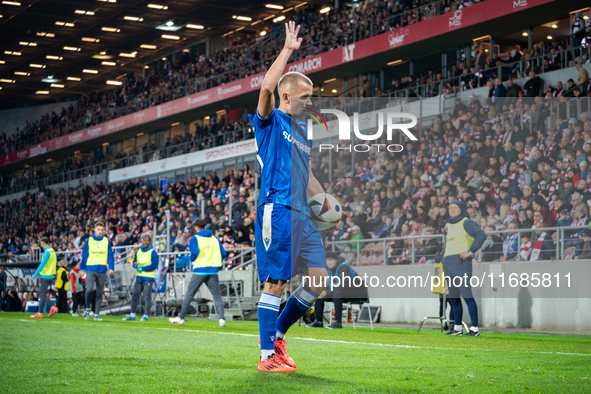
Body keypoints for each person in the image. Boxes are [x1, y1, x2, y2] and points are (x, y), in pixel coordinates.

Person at [251, 21, 328, 373]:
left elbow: (307, 174)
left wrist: (325, 199)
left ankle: (279, 334)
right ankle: (267, 358)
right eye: (305, 97)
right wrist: (287, 50)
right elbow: (266, 87)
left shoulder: (303, 133)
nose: (310, 102)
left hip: (302, 215)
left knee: (319, 281)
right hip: (277, 210)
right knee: (277, 282)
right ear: (287, 97)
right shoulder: (269, 122)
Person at [170, 219, 227, 327]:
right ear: (205, 227)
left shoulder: (195, 238)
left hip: (200, 270)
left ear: (196, 228)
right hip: (213, 271)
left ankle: (181, 318)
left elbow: (195, 253)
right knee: (217, 296)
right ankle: (222, 320)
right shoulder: (214, 238)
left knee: (189, 294)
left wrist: (192, 259)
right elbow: (223, 253)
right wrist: (216, 262)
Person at [442, 200, 486, 336]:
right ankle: (457, 328)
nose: (452, 209)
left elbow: (481, 235)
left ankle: (474, 328)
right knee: (454, 298)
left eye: (455, 207)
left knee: (467, 296)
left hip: (461, 264)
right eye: (450, 207)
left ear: (461, 209)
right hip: (450, 265)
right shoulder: (450, 224)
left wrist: (471, 252)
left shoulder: (466, 222)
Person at [305, 252, 368, 329]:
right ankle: (318, 321)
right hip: (341, 292)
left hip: (357, 293)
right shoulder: (329, 271)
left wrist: (326, 292)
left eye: (330, 260)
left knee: (336, 293)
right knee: (320, 295)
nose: (328, 262)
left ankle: (337, 322)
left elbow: (343, 285)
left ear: (336, 260)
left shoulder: (343, 267)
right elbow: (329, 286)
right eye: (327, 260)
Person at [80, 221, 114, 322]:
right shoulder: (89, 240)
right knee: (89, 289)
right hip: (90, 269)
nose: (100, 231)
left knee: (99, 293)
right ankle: (87, 309)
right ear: (94, 230)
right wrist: (82, 269)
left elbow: (110, 255)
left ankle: (96, 314)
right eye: (98, 229)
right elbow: (84, 255)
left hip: (102, 269)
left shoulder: (107, 241)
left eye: (102, 230)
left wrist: (111, 267)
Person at [123, 235, 159, 322]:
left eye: (147, 241)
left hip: (148, 278)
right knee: (135, 296)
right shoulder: (138, 251)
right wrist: (134, 265)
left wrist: (142, 268)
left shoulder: (153, 252)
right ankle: (132, 315)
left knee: (147, 297)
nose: (145, 242)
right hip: (139, 277)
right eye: (144, 240)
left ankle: (145, 315)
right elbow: (134, 261)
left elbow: (154, 265)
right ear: (141, 241)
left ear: (150, 242)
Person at [30, 237, 59, 318]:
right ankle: (39, 313)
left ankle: (53, 307)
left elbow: (42, 265)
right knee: (43, 294)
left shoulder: (46, 252)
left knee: (41, 293)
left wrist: (34, 275)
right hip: (51, 275)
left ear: (42, 243)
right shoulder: (52, 251)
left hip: (45, 275)